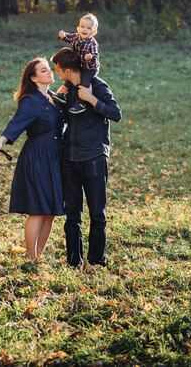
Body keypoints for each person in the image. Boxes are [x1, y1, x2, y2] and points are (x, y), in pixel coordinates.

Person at [51, 47, 122, 268]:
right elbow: (64, 119)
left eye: (57, 69)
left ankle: (97, 261)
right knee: (72, 215)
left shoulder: (97, 86)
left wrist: (91, 99)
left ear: (67, 69)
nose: (56, 73)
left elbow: (116, 113)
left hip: (93, 159)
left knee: (97, 214)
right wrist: (58, 100)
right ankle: (73, 261)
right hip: (69, 160)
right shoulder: (68, 88)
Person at [0, 57, 65, 261]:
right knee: (39, 209)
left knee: (50, 211)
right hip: (38, 157)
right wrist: (2, 141)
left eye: (49, 69)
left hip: (56, 156)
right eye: (43, 70)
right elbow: (18, 122)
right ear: (33, 78)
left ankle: (38, 256)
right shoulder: (30, 100)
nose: (49, 72)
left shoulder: (54, 97)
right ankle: (31, 256)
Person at [53, 13, 100, 114]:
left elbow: (95, 57)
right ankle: (63, 94)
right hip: (79, 64)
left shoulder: (92, 43)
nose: (85, 29)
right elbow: (67, 38)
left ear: (94, 32)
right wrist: (62, 35)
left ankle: (81, 103)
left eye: (89, 28)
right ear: (78, 28)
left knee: (84, 82)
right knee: (70, 78)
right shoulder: (76, 37)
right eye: (82, 27)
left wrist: (90, 58)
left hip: (89, 68)